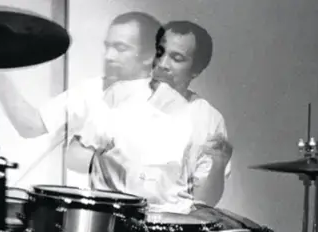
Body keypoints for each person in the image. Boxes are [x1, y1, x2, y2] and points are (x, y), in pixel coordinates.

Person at [68, 20, 234, 215]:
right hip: (113, 219)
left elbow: (205, 201)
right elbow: (73, 157)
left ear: (196, 70)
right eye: (160, 52)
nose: (163, 64)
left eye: (177, 58)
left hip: (169, 229)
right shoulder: (119, 96)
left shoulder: (208, 118)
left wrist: (218, 164)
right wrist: (110, 159)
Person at [0, 12, 162, 181]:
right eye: (107, 47)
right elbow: (31, 126)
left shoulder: (167, 104)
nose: (108, 56)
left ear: (148, 56)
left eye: (120, 48)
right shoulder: (92, 89)